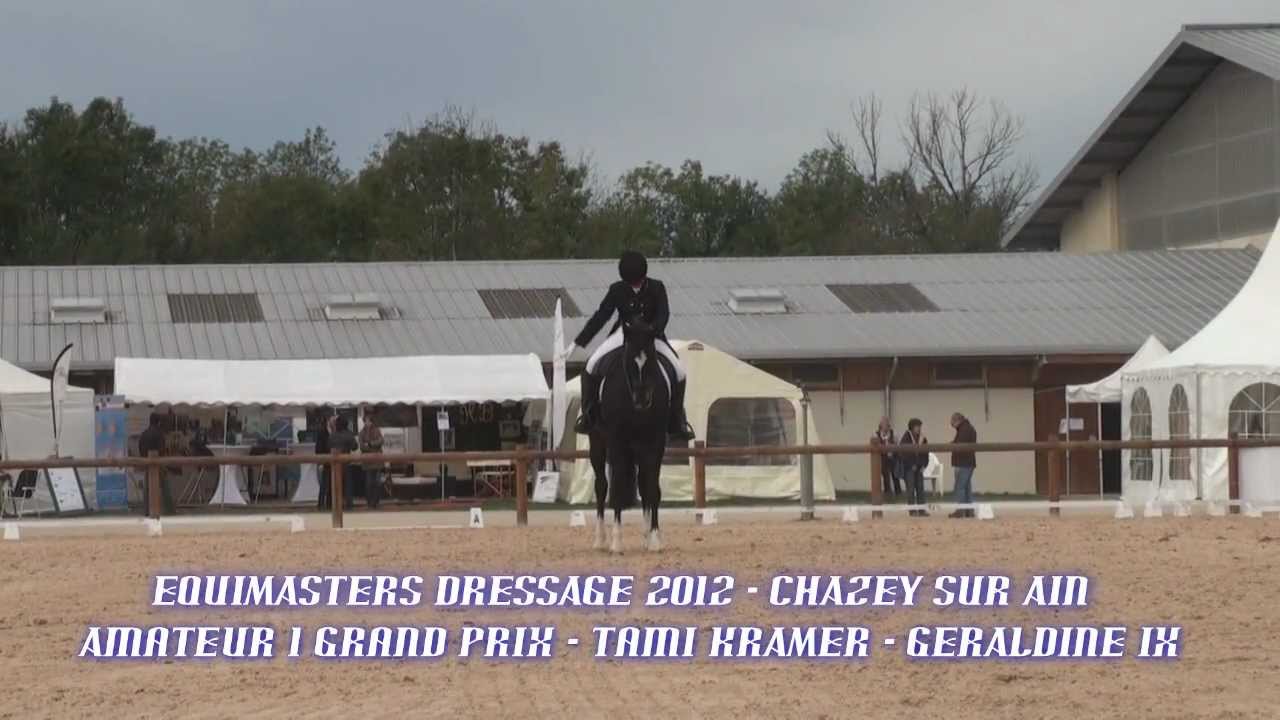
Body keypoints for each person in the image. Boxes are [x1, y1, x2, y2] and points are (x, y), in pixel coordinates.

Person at [562, 250, 694, 441]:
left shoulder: (657, 287)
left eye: (638, 282)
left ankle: (677, 420)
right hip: (623, 334)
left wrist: (652, 329)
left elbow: (663, 314)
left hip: (652, 336)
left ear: (644, 276)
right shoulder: (617, 289)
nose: (635, 286)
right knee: (590, 366)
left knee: (679, 370)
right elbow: (601, 316)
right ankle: (588, 415)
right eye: (632, 283)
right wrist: (578, 341)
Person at [137, 413, 175, 515]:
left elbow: (140, 448)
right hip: (158, 463)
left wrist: (145, 460)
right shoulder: (159, 433)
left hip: (147, 463)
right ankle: (169, 510)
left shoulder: (144, 434)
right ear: (158, 422)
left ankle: (146, 510)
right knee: (164, 487)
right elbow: (162, 449)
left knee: (147, 488)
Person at [949, 412, 978, 519]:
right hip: (968, 462)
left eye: (952, 421)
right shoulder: (967, 428)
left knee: (960, 487)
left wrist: (952, 445)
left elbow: (960, 445)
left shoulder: (964, 430)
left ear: (957, 420)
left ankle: (960, 510)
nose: (951, 424)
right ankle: (969, 511)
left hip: (963, 463)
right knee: (966, 487)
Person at [899, 418, 928, 517]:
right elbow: (903, 453)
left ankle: (922, 510)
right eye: (917, 426)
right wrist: (911, 465)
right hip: (909, 468)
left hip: (920, 468)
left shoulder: (923, 438)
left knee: (920, 489)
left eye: (920, 426)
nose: (919, 428)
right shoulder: (906, 437)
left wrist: (924, 465)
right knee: (911, 489)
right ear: (911, 427)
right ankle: (912, 511)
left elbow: (926, 453)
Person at [329, 415, 359, 510]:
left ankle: (337, 504)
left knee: (336, 485)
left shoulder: (332, 435)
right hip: (346, 463)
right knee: (348, 485)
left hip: (334, 463)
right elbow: (355, 447)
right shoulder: (349, 434)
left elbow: (328, 445)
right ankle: (349, 504)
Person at [359, 413, 385, 509]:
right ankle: (369, 502)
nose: (368, 423)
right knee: (369, 483)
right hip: (367, 462)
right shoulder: (361, 433)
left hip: (377, 461)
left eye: (369, 421)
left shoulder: (377, 430)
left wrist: (370, 444)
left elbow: (381, 441)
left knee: (377, 483)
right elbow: (362, 447)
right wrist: (374, 446)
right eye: (366, 421)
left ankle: (376, 501)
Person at [872, 417, 900, 499]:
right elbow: (875, 445)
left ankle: (898, 493)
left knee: (895, 475)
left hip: (893, 457)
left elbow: (897, 444)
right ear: (880, 425)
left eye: (887, 425)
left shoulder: (893, 433)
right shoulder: (876, 434)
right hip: (882, 458)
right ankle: (887, 493)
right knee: (885, 475)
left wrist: (892, 446)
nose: (886, 427)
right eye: (884, 424)